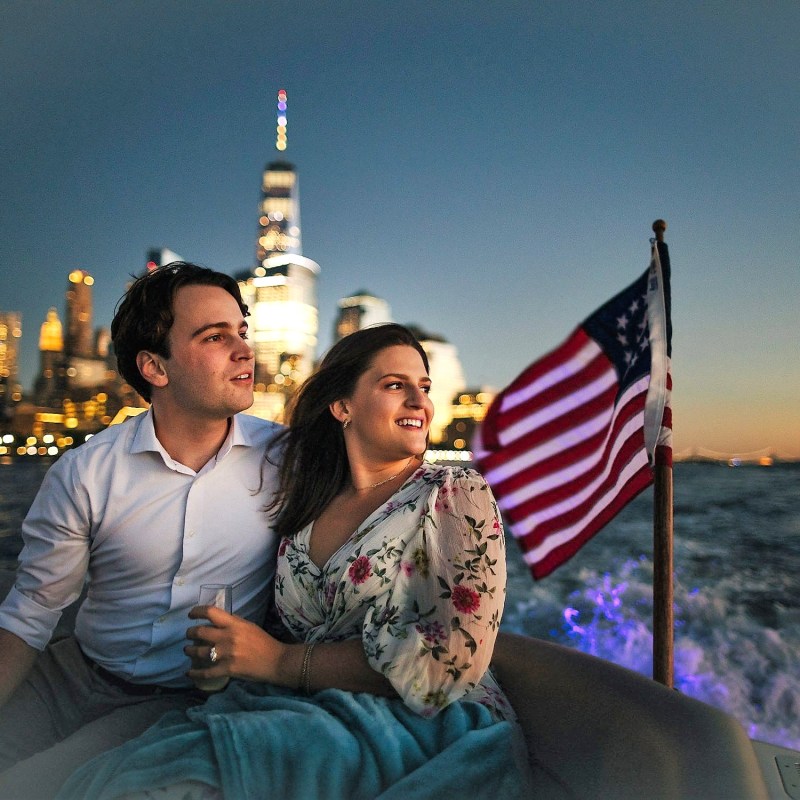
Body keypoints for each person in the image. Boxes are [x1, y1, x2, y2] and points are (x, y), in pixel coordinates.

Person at [58, 323, 530, 800]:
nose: (419, 402)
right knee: (141, 773)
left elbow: (447, 667)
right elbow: (280, 630)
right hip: (302, 708)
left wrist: (280, 662)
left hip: (426, 723)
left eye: (424, 388)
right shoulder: (304, 504)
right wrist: (231, 660)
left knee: (184, 779)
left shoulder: (455, 495)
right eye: (395, 385)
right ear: (342, 406)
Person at [0, 263, 282, 798]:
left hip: (179, 698)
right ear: (154, 366)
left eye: (241, 332)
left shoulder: (288, 461)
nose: (244, 350)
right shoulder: (86, 472)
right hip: (69, 673)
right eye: (215, 337)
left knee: (29, 787)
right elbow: (32, 611)